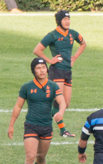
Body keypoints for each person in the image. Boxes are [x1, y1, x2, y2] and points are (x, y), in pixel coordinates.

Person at [7, 58, 66, 164]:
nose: (42, 70)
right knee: (30, 156)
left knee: (41, 157)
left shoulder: (53, 86)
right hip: (31, 126)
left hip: (46, 127)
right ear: (33, 71)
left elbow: (62, 102)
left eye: (43, 67)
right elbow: (18, 106)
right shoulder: (27, 87)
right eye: (38, 68)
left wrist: (61, 112)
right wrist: (11, 125)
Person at [33, 10, 86, 138]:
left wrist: (74, 57)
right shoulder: (52, 35)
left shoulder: (72, 34)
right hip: (57, 71)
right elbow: (37, 50)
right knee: (59, 102)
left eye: (68, 19)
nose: (67, 21)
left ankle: (40, 116)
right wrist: (50, 61)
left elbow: (83, 43)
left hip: (67, 71)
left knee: (65, 104)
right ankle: (63, 130)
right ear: (59, 21)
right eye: (65, 19)